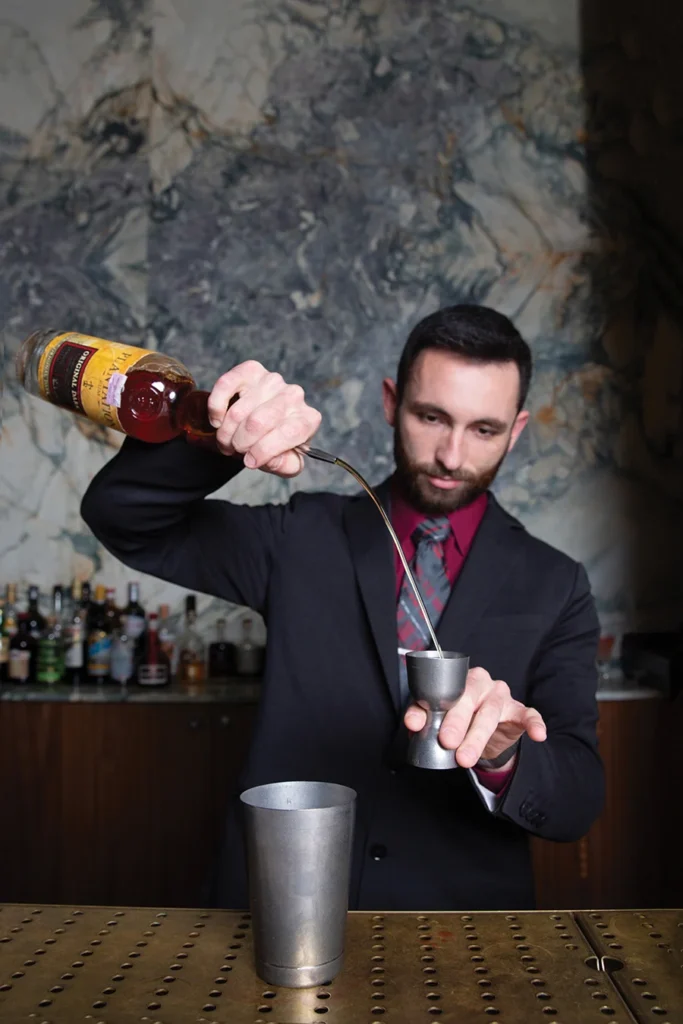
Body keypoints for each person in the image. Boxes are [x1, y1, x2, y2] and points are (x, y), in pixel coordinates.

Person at [81, 304, 604, 910]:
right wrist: (223, 432)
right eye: (431, 417)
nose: (452, 456)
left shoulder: (557, 583)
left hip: (460, 935)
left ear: (515, 431)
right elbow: (123, 517)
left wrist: (505, 755)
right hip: (280, 904)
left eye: (483, 430)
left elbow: (577, 801)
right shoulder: (300, 535)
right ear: (391, 401)